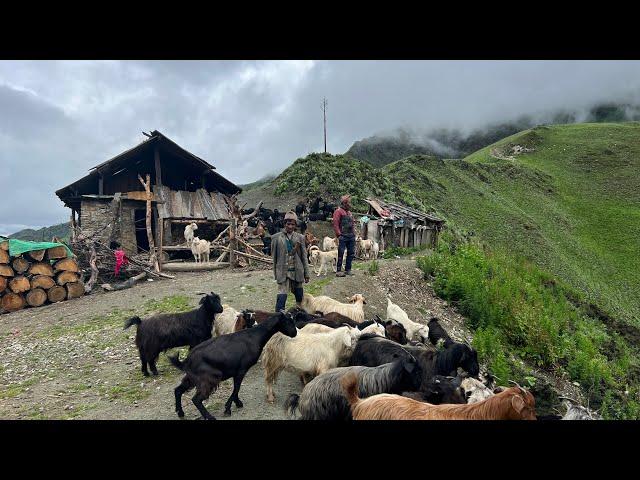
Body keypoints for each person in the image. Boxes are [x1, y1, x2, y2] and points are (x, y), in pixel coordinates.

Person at [271, 211, 310, 312]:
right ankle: (279, 316)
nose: (290, 226)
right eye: (288, 224)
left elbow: (304, 257)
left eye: (293, 224)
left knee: (299, 294)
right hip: (283, 271)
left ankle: (300, 315)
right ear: (284, 224)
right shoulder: (276, 238)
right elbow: (274, 257)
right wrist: (276, 273)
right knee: (282, 294)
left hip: (297, 270)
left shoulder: (300, 238)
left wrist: (307, 273)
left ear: (295, 225)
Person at [332, 194, 356, 277]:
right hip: (343, 236)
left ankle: (348, 269)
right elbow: (335, 223)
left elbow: (352, 224)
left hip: (350, 236)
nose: (350, 204)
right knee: (341, 253)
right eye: (349, 203)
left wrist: (353, 233)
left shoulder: (349, 213)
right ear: (345, 203)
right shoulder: (338, 212)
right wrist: (339, 234)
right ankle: (338, 270)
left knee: (351, 253)